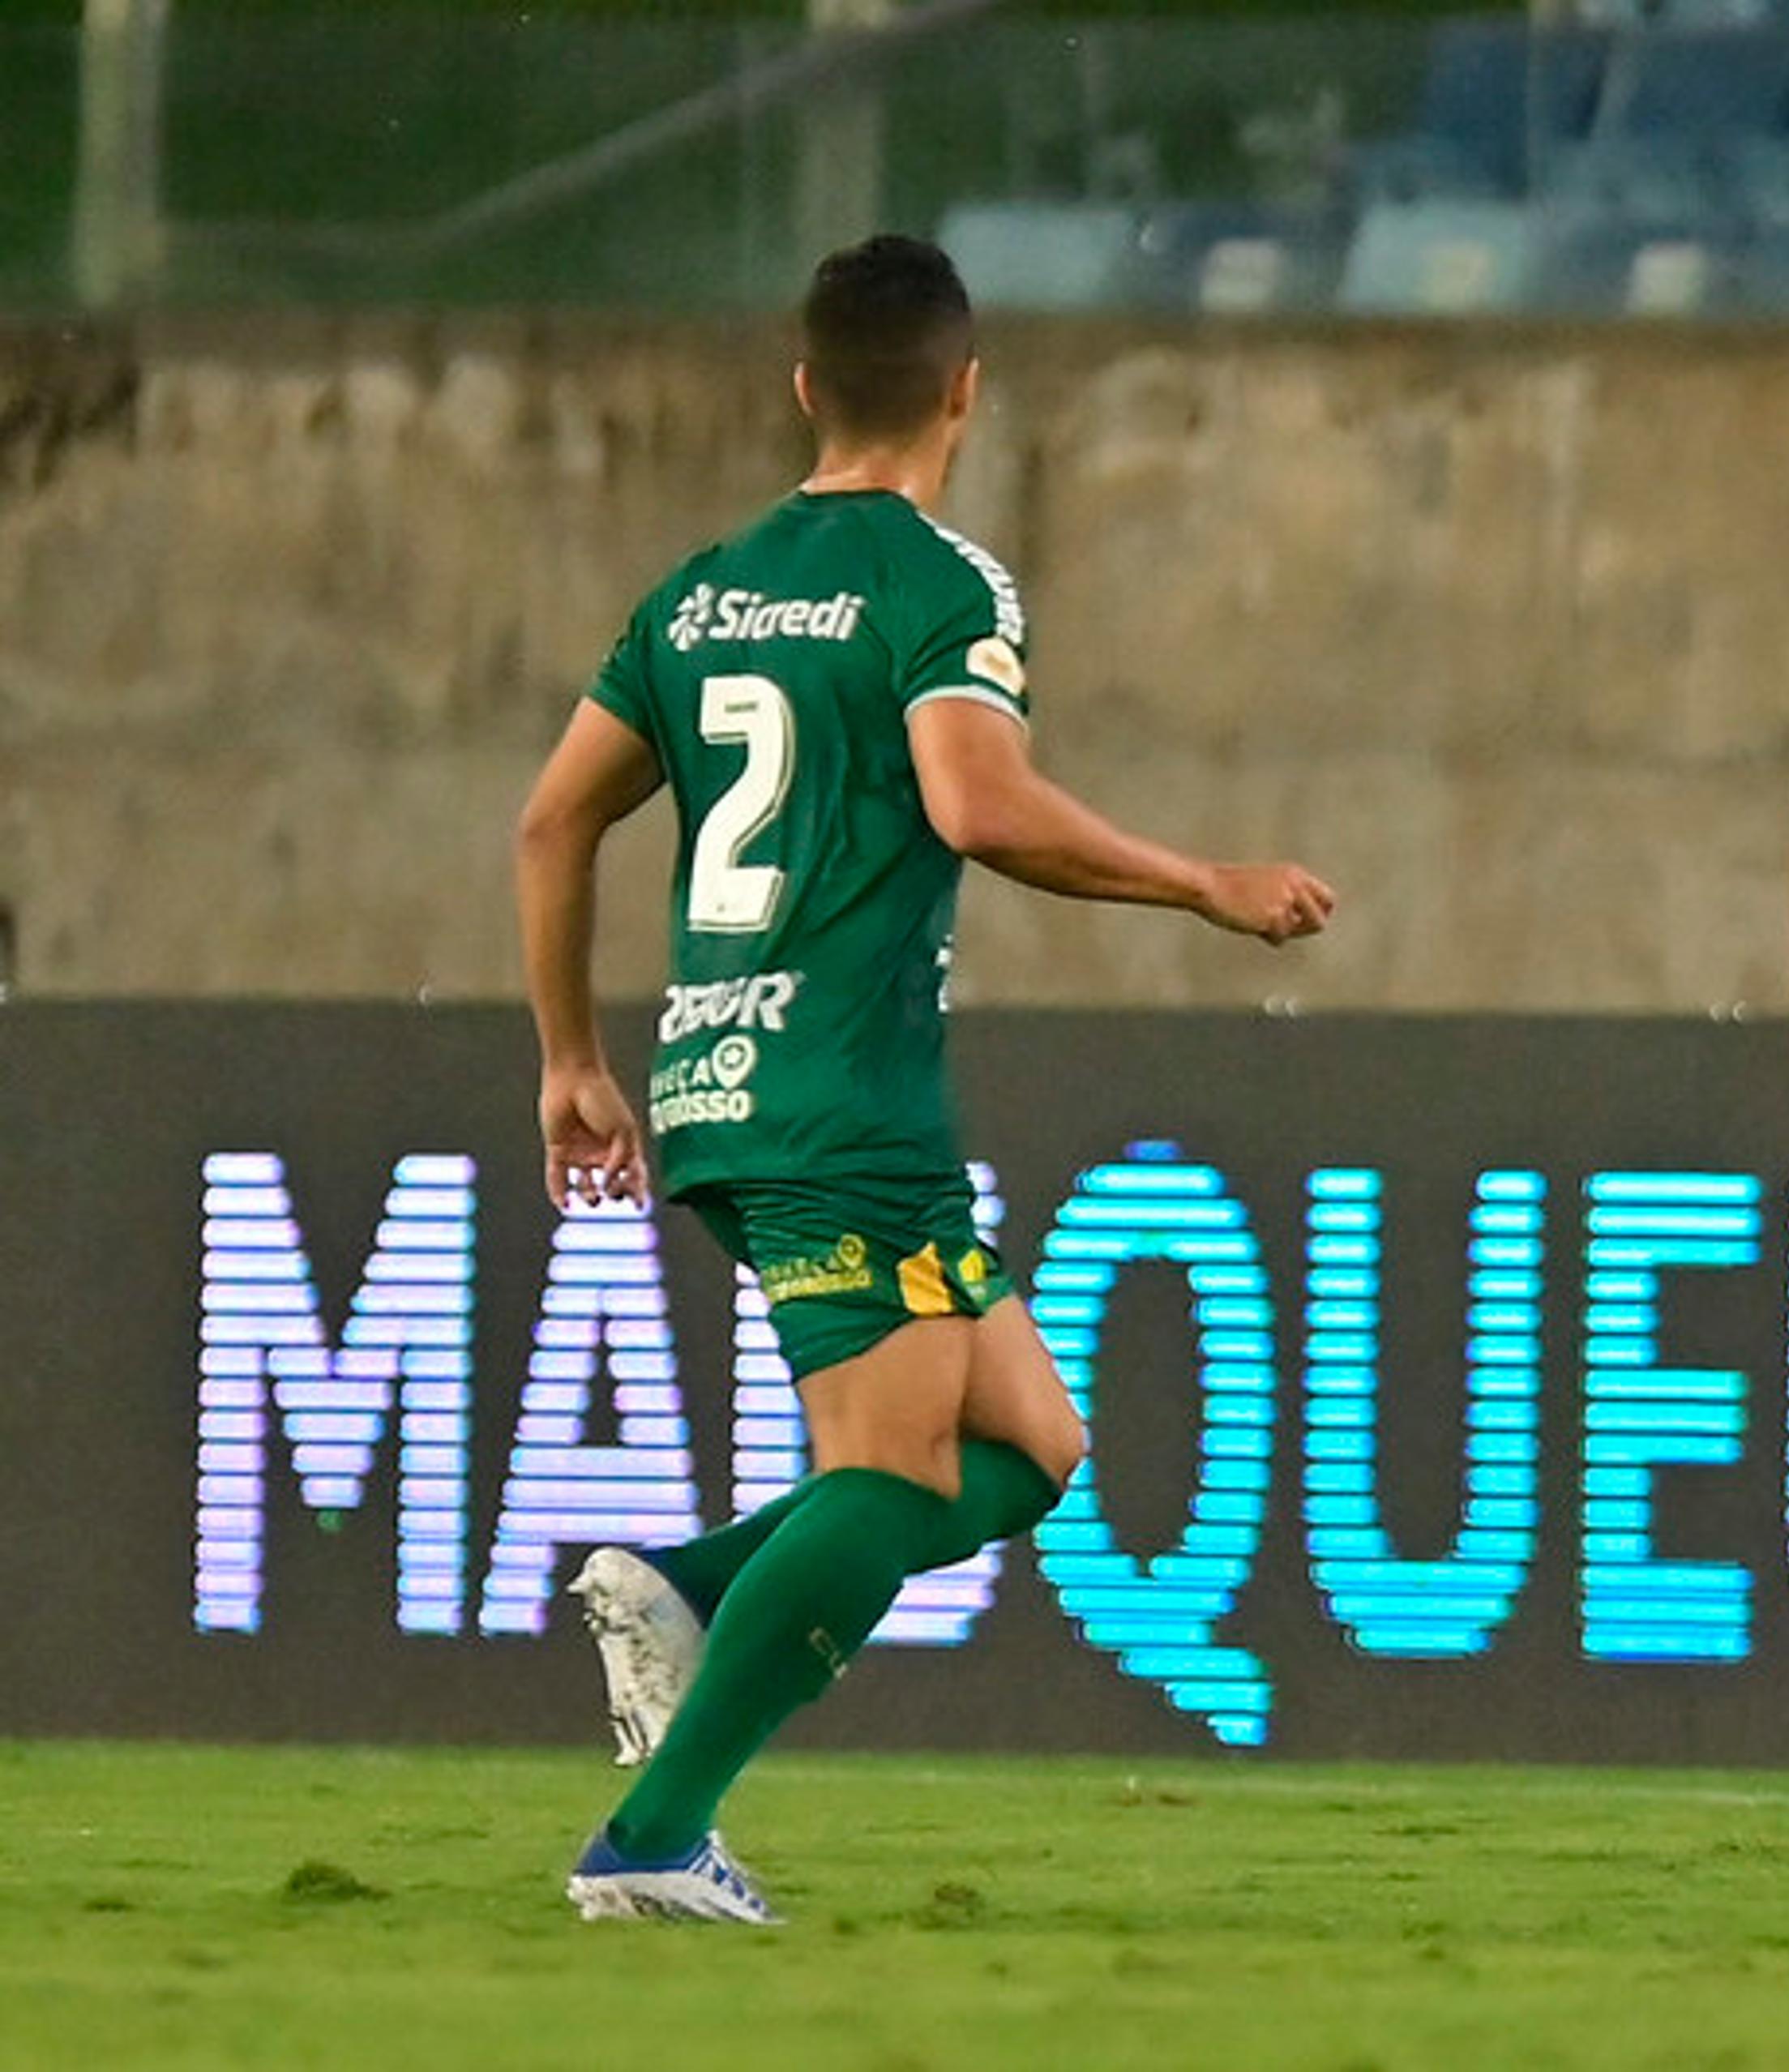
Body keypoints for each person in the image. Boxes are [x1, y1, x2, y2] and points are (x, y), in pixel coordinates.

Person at [514, 233, 1335, 1924]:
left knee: (1031, 1444)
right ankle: (656, 1840)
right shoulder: (944, 586)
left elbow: (554, 817)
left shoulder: (700, 591)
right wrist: (1203, 882)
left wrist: (570, 1059)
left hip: (719, 1078)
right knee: (883, 1477)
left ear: (806, 385)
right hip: (845, 1095)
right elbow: (977, 802)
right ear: (966, 389)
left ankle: (680, 1588)